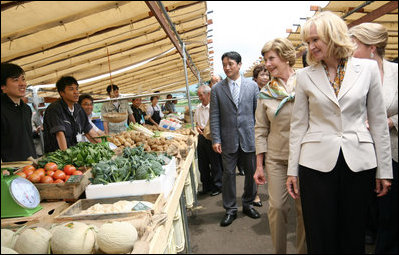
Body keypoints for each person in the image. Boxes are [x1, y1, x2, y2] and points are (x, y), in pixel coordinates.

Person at [286, 11, 392, 253]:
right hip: (315, 166)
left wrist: (384, 169)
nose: (310, 47)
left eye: (315, 40)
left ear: (333, 36)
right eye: (308, 42)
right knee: (319, 235)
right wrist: (293, 169)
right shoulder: (304, 76)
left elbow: (377, 121)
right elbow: (298, 126)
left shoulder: (367, 69)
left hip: (358, 164)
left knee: (353, 234)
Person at [253, 38, 306, 254]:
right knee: (276, 208)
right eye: (265, 60)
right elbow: (260, 129)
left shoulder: (305, 81)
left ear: (285, 56)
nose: (267, 64)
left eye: (271, 58)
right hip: (276, 159)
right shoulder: (266, 93)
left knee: (305, 211)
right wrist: (259, 165)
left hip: (305, 156)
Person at [350, 22, 398, 254]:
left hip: (393, 151)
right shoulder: (350, 73)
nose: (349, 48)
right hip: (360, 152)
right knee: (364, 208)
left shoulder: (396, 73)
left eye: (354, 43)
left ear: (372, 47)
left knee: (390, 210)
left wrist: (388, 122)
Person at [210, 51, 260, 227]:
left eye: (230, 64)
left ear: (239, 65)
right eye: (224, 64)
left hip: (249, 138)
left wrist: (259, 137)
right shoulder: (217, 89)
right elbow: (214, 116)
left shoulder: (252, 87)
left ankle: (248, 204)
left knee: (252, 174)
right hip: (228, 139)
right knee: (228, 175)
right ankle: (230, 209)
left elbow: (258, 115)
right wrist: (216, 139)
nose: (227, 67)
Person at [43, 76, 100, 153]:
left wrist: (103, 146)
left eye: (76, 88)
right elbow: (60, 134)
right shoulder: (54, 109)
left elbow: (89, 131)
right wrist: (66, 156)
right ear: (61, 92)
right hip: (57, 155)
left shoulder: (78, 109)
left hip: (74, 152)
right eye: (71, 89)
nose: (76, 92)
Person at [1, 62, 37, 162]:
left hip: (30, 166)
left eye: (23, 79)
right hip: (9, 171)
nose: (22, 84)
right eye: (16, 80)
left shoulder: (26, 109)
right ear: (3, 86)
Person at [195, 85, 222, 196]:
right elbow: (197, 123)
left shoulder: (215, 107)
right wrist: (197, 127)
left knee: (215, 163)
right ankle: (206, 186)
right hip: (201, 137)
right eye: (199, 96)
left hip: (212, 137)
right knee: (203, 164)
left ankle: (218, 186)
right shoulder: (198, 107)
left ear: (208, 94)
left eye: (201, 95)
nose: (200, 98)